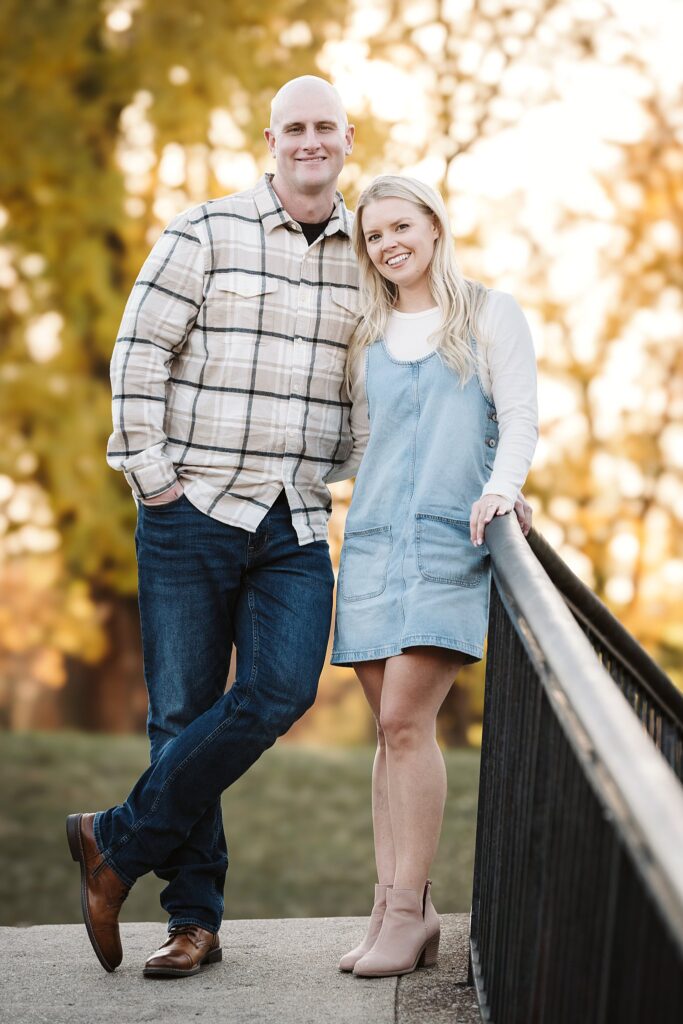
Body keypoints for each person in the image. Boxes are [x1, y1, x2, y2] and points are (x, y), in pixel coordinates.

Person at [66, 75, 365, 977]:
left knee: (282, 691)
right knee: (184, 713)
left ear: (348, 140)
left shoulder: (371, 255)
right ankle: (193, 922)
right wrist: (152, 475)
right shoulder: (206, 230)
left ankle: (112, 841)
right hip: (190, 505)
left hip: (297, 517)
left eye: (326, 128)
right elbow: (139, 348)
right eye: (294, 128)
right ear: (269, 140)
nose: (310, 142)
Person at [332, 175, 538, 978]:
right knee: (388, 737)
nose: (388, 244)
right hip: (374, 546)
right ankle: (392, 909)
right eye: (373, 235)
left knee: (407, 724)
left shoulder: (490, 313)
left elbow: (517, 416)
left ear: (433, 225)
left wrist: (503, 490)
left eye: (399, 226)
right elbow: (355, 446)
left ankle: (411, 908)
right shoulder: (369, 331)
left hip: (452, 544)